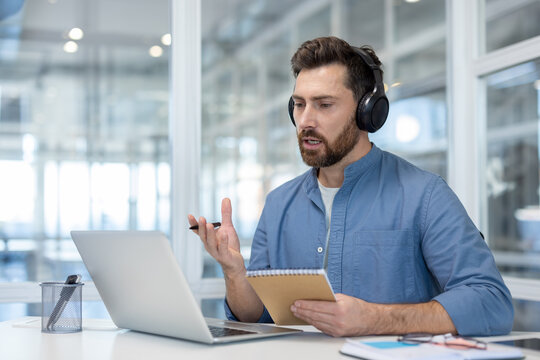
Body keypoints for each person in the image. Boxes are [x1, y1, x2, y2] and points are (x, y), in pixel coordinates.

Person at [188, 36, 513, 337]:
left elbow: (491, 302)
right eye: (299, 105)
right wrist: (235, 273)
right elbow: (255, 317)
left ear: (367, 111)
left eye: (324, 104)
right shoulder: (278, 204)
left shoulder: (424, 195)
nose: (305, 121)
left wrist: (374, 319)